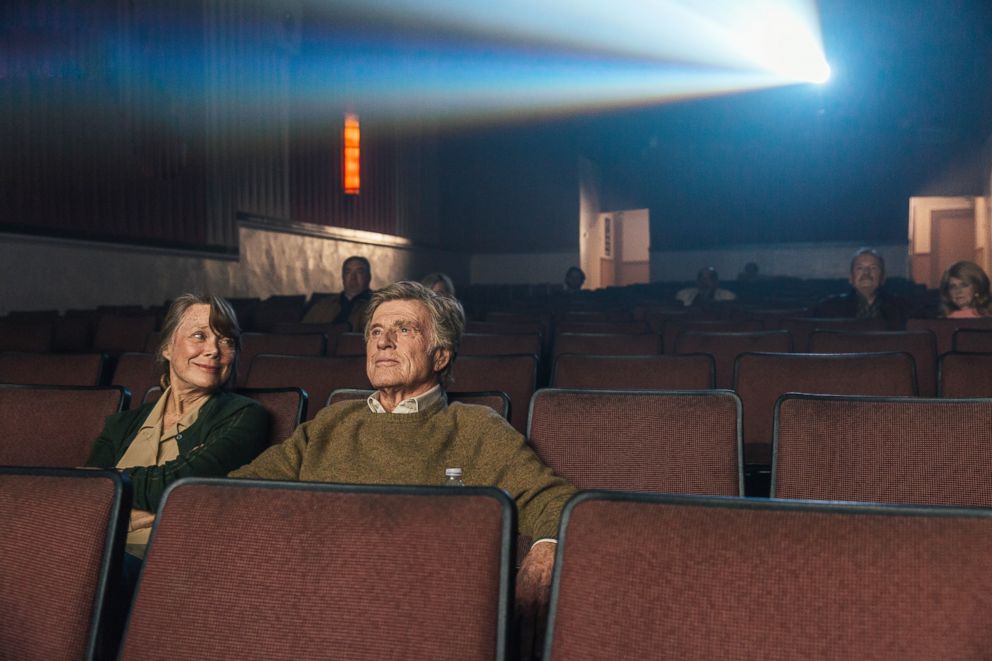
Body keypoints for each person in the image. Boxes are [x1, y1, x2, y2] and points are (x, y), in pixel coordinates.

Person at [230, 281, 575, 623]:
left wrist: (547, 547)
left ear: (440, 355)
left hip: (416, 606)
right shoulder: (332, 421)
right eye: (375, 331)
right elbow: (238, 491)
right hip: (313, 595)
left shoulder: (476, 427)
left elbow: (554, 500)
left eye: (404, 329)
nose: (383, 341)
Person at [87, 294, 270, 559]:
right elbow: (85, 491)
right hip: (94, 546)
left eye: (226, 340)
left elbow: (177, 485)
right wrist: (130, 511)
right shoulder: (121, 424)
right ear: (167, 347)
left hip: (166, 558)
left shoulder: (244, 415)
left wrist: (113, 497)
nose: (214, 350)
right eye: (199, 335)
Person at [813, 247, 908, 329]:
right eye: (860, 268)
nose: (866, 273)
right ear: (851, 278)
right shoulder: (829, 307)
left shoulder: (901, 307)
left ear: (882, 278)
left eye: (873, 268)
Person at [302, 255, 373, 329]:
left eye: (359, 272)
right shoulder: (323, 305)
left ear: (369, 277)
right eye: (348, 272)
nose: (353, 278)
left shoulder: (377, 305)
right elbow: (301, 331)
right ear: (343, 276)